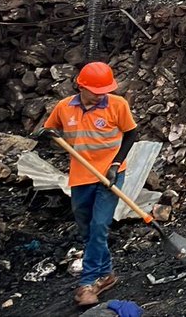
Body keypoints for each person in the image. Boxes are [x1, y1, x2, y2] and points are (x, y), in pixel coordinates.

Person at [39, 62, 137, 307]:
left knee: (99, 225)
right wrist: (49, 135)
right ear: (81, 86)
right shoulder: (64, 108)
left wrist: (116, 164)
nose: (101, 94)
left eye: (105, 89)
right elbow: (49, 130)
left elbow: (132, 134)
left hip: (110, 175)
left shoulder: (117, 105)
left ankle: (89, 282)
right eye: (96, 90)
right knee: (86, 227)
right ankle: (106, 274)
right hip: (81, 175)